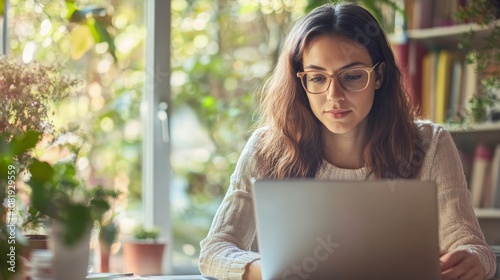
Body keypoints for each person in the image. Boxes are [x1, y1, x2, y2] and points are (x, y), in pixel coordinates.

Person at [198, 3, 497, 280]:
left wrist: (473, 259)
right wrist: (271, 271)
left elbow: (472, 246)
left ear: (378, 76)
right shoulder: (267, 148)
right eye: (317, 78)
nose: (334, 95)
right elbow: (214, 251)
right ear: (301, 82)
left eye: (352, 76)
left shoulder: (430, 144)